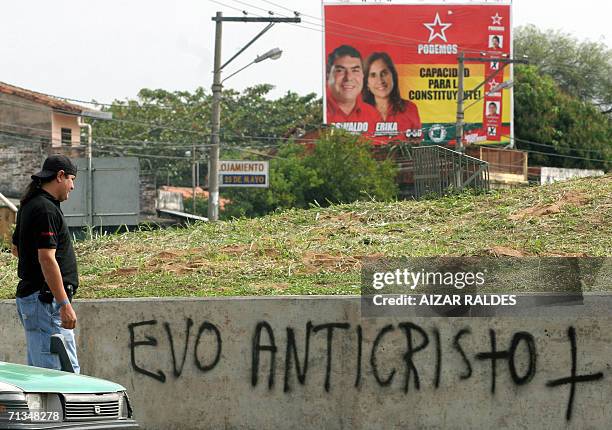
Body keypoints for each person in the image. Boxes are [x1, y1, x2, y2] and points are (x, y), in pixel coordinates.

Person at [11, 154, 80, 373]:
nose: (73, 186)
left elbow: (16, 250)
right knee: (62, 378)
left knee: (43, 374)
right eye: (72, 179)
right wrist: (63, 304)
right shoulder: (45, 209)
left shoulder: (30, 204)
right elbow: (46, 258)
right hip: (46, 303)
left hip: (37, 302)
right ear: (60, 176)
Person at [362, 52, 423, 143]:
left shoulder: (410, 108)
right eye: (373, 75)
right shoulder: (358, 112)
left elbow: (417, 145)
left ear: (393, 76)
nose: (380, 80)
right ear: (367, 83)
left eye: (384, 73)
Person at [326, 44, 378, 133]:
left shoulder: (373, 114)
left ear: (363, 75)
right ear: (327, 74)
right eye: (340, 70)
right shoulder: (319, 112)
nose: (349, 77)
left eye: (355, 70)